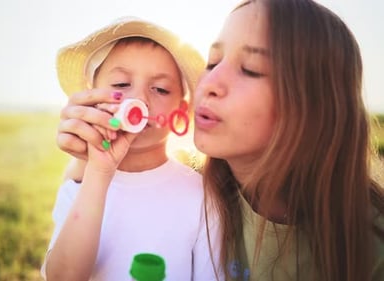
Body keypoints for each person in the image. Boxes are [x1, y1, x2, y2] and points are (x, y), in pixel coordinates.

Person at [54, 1, 384, 280]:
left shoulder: (371, 251)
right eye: (212, 63)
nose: (210, 82)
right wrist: (87, 154)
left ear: (313, 109)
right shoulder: (210, 192)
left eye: (251, 69)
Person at [42, 17, 222, 281]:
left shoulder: (203, 196)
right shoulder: (80, 187)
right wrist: (99, 172)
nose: (139, 100)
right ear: (94, 101)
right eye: (120, 85)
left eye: (160, 89)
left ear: (181, 112)